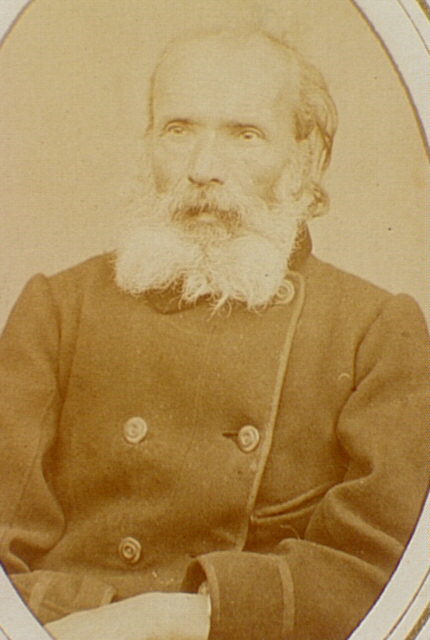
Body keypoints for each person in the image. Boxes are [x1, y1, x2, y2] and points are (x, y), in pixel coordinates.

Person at [0, 28, 428, 640]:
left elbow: (389, 572)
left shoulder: (376, 333)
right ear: (149, 145)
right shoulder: (58, 308)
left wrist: (176, 616)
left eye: (244, 135)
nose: (203, 169)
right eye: (179, 130)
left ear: (307, 159)